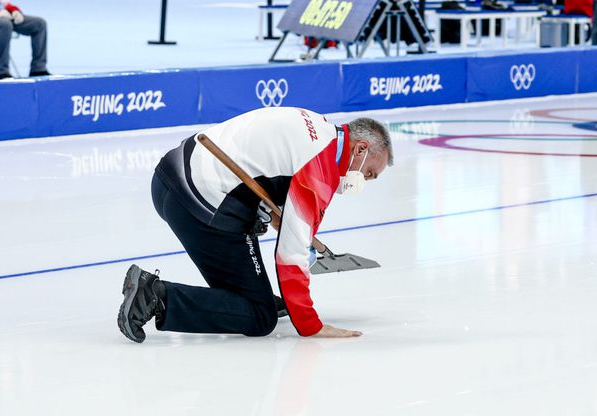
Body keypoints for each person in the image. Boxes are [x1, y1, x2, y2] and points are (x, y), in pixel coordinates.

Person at [119, 110, 394, 341]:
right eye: (369, 173)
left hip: (170, 177)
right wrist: (311, 325)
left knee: (250, 291)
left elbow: (260, 167)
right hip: (200, 203)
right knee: (260, 316)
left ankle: (250, 292)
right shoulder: (321, 167)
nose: (365, 180)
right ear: (360, 148)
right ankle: (154, 295)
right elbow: (291, 253)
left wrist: (273, 215)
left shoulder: (318, 127)